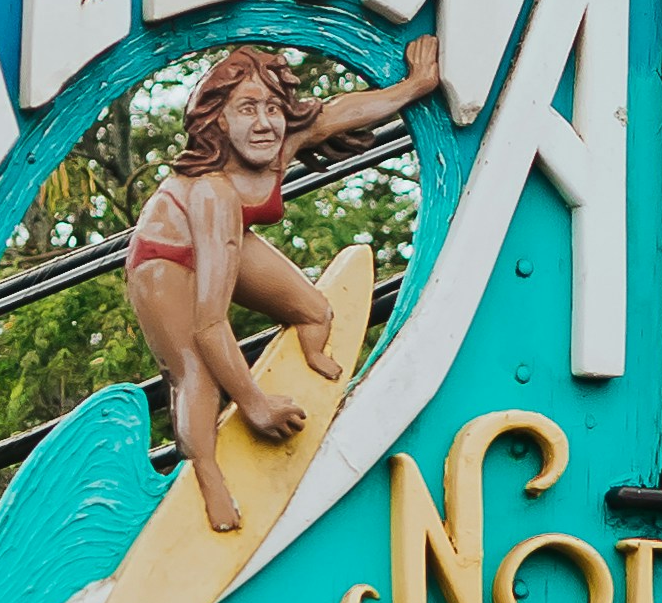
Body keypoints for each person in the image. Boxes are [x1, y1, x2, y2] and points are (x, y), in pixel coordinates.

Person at [121, 36, 441, 537]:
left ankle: (310, 359)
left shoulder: (280, 139)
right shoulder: (212, 192)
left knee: (315, 310)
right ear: (218, 121)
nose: (265, 122)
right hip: (164, 260)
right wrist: (254, 403)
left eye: (273, 106)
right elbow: (210, 323)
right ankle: (207, 480)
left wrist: (414, 86)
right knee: (196, 375)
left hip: (227, 237)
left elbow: (340, 112)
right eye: (246, 108)